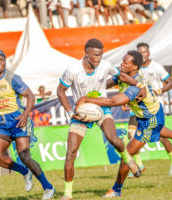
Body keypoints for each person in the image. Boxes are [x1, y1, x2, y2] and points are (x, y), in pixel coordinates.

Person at [75, 50, 172, 197]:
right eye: (122, 60)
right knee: (157, 129)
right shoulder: (126, 76)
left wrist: (87, 99)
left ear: (135, 66)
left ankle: (116, 189)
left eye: (125, 62)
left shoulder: (135, 87)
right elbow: (106, 84)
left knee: (127, 155)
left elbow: (112, 101)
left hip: (150, 119)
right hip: (150, 113)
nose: (121, 63)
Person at [57, 38, 146, 200]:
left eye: (101, 55)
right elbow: (60, 91)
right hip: (81, 113)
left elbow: (123, 77)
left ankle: (129, 160)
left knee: (114, 138)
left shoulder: (105, 65)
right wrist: (70, 112)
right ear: (87, 53)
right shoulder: (73, 69)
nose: (99, 58)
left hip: (102, 108)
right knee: (71, 152)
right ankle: (67, 194)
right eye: (96, 55)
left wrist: (140, 86)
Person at [0, 49, 55, 200]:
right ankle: (24, 172)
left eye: (2, 60)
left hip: (19, 120)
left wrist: (25, 115)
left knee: (24, 156)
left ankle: (48, 188)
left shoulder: (13, 78)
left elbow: (30, 96)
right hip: (1, 123)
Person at [125, 42, 172, 177]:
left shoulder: (157, 67)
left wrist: (159, 90)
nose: (143, 55)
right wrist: (126, 100)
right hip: (138, 105)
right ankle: (139, 165)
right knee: (131, 133)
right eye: (140, 52)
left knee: (160, 136)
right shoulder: (134, 68)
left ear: (149, 53)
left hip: (154, 106)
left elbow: (171, 82)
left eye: (145, 52)